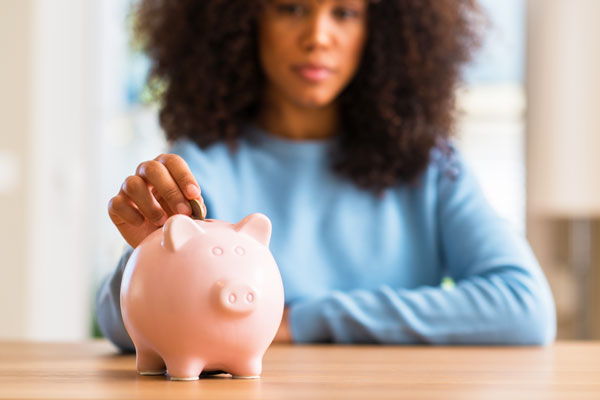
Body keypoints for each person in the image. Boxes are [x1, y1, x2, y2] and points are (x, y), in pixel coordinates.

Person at [96, 0, 556, 352]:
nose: (318, 36)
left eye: (344, 12)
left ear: (380, 31)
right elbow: (119, 327)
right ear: (243, 20)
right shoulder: (203, 168)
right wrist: (150, 257)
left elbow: (524, 307)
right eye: (291, 8)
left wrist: (301, 320)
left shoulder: (429, 166)